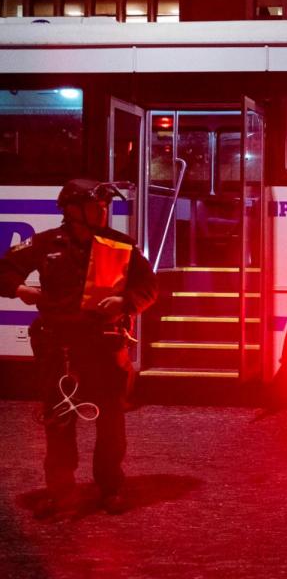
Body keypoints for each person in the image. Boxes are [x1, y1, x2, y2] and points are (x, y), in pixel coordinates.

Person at [0, 178, 158, 517]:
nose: (102, 211)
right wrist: (19, 289)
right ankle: (60, 493)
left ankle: (111, 488)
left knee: (111, 421)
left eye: (104, 206)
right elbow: (4, 271)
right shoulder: (43, 244)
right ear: (71, 210)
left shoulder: (120, 245)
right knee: (59, 422)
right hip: (59, 347)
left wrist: (125, 301)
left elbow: (149, 287)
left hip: (104, 345)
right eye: (94, 206)